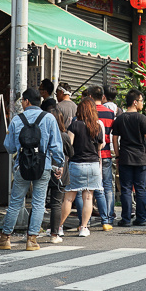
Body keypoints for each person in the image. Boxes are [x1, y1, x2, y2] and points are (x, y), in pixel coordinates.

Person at [0, 88, 65, 251]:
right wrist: (59, 164)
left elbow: (10, 147)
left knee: (16, 202)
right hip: (44, 165)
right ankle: (32, 240)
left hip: (22, 166)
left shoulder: (17, 120)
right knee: (39, 202)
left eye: (22, 101)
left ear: (27, 101)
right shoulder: (49, 119)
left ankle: (5, 238)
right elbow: (56, 145)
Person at [58, 95, 103, 238]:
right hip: (93, 165)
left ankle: (58, 227)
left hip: (76, 164)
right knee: (88, 198)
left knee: (69, 198)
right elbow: (100, 146)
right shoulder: (97, 126)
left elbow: (68, 144)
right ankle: (83, 227)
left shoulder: (75, 125)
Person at [112, 89, 146, 227]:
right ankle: (141, 218)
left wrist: (117, 155)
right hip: (141, 157)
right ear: (135, 102)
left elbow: (115, 138)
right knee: (140, 188)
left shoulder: (120, 118)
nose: (142, 104)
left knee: (126, 189)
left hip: (125, 157)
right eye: (141, 101)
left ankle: (126, 219)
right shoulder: (141, 118)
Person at [41, 98, 69, 244]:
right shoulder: (64, 136)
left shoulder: (42, 134)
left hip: (43, 169)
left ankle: (31, 232)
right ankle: (54, 233)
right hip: (59, 171)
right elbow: (70, 152)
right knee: (56, 203)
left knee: (39, 201)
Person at [91, 85, 117, 231]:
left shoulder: (89, 113)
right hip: (107, 153)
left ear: (89, 96)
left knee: (93, 188)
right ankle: (108, 217)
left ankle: (95, 217)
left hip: (93, 155)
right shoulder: (110, 113)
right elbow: (113, 135)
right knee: (108, 186)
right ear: (102, 97)